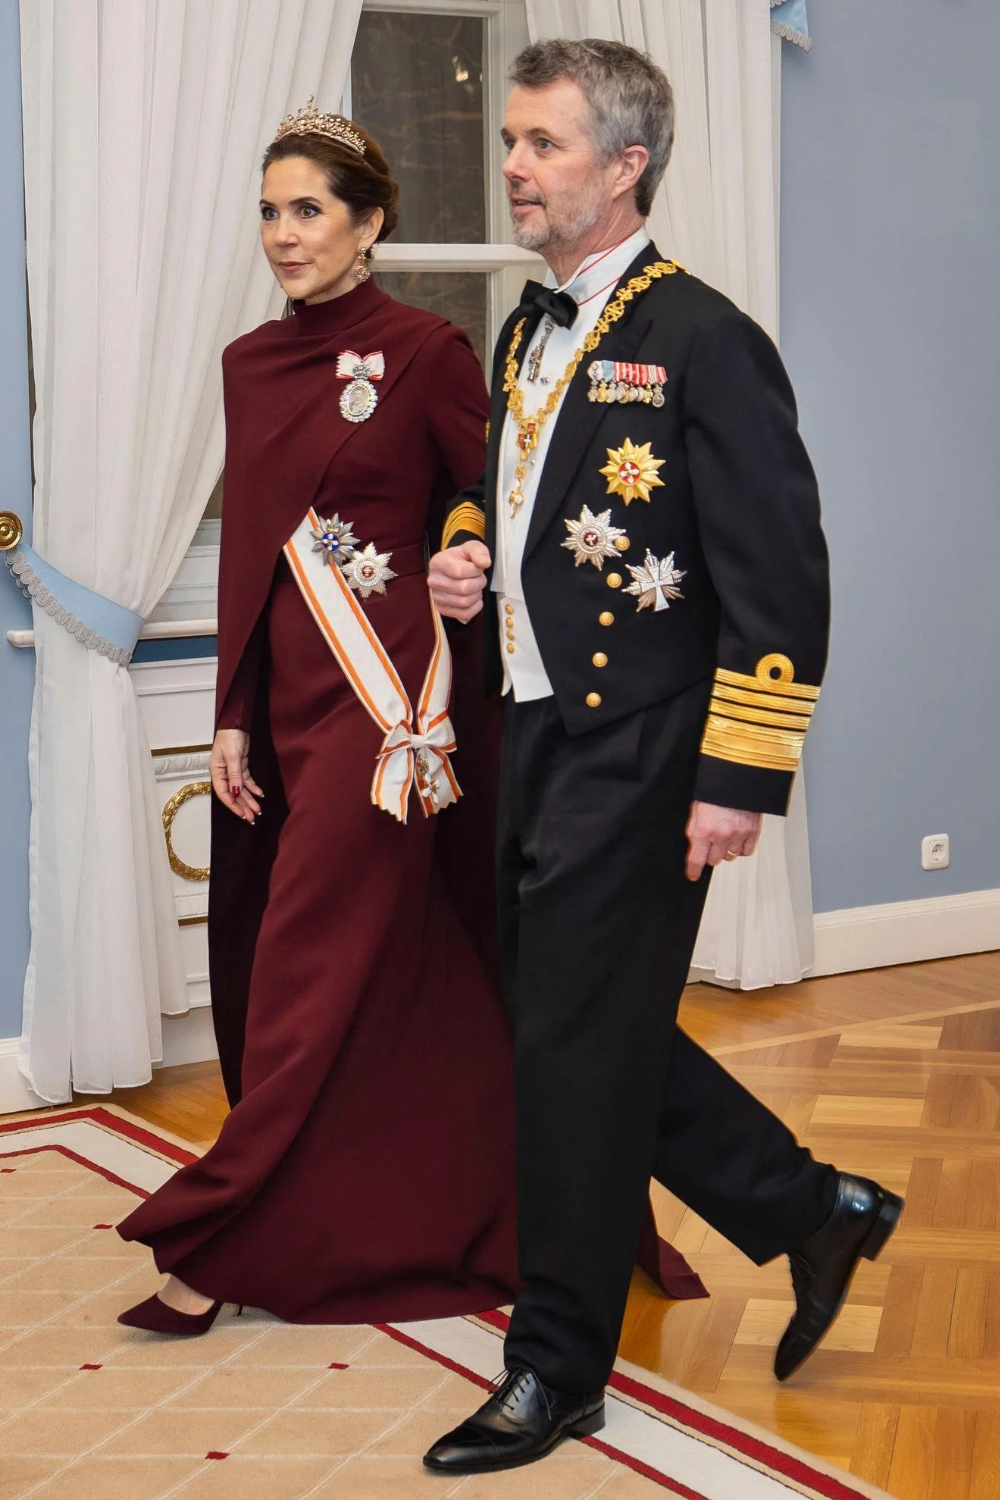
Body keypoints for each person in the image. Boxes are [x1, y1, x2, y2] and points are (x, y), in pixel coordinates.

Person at [423, 39, 904, 1477]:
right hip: (532, 728)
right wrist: (465, 551)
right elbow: (504, 489)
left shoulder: (706, 337)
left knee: (573, 1049)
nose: (514, 165)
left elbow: (782, 580)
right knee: (571, 1026)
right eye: (511, 140)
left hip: (644, 746)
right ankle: (811, 1208)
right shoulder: (526, 330)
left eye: (543, 144)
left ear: (625, 166)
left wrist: (737, 778)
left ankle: (555, 1369)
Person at [114, 101, 524, 1329]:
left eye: (308, 211)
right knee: (378, 974)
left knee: (307, 963)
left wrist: (463, 546)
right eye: (269, 212)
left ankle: (217, 1234)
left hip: (385, 706)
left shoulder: (426, 350)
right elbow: (252, 553)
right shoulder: (250, 363)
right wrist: (232, 713)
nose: (284, 235)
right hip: (287, 706)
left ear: (369, 224)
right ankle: (462, 1191)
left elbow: (483, 490)